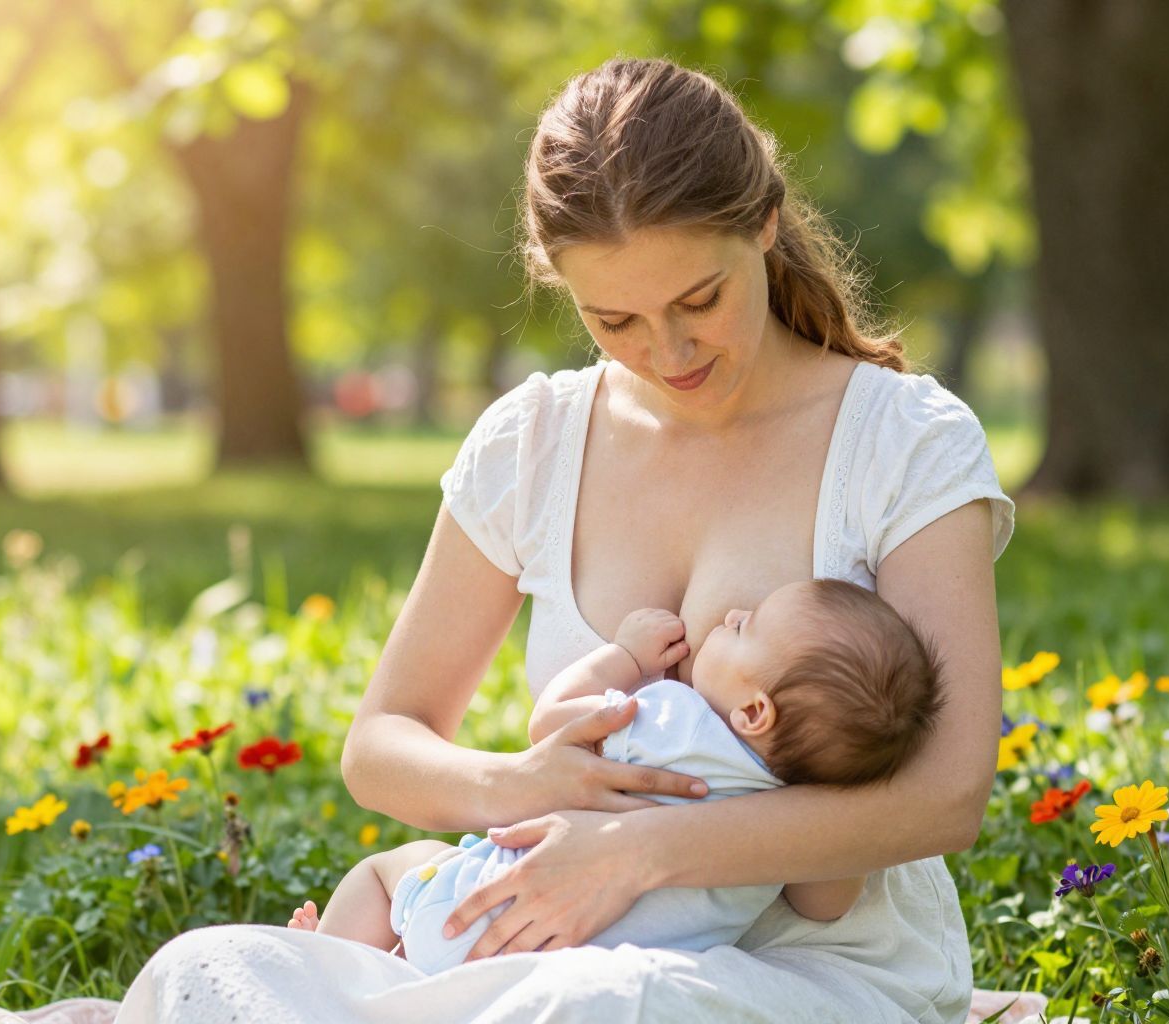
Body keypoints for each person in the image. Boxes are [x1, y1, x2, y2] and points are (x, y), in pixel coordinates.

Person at [98, 54, 1016, 1023]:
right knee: (210, 969)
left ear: (764, 222)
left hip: (811, 979)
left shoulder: (905, 440)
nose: (667, 354)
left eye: (699, 300)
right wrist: (519, 784)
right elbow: (383, 742)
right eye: (613, 317)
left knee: (614, 1004)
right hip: (542, 953)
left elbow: (944, 798)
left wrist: (636, 853)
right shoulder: (532, 443)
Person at [284, 578, 946, 974]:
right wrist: (838, 790)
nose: (730, 616)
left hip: (477, 912)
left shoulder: (668, 715)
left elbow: (552, 724)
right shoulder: (782, 835)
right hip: (580, 976)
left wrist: (625, 657)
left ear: (753, 710)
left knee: (391, 867)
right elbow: (825, 904)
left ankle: (330, 968)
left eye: (745, 627)